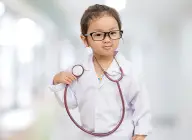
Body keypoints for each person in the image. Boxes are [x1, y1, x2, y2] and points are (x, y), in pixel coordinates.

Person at [49, 4, 152, 140]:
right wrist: (57, 81)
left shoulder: (130, 71)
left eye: (113, 33)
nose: (107, 39)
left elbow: (141, 108)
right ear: (85, 40)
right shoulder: (77, 70)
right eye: (98, 34)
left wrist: (140, 134)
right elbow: (69, 103)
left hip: (122, 137)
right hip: (88, 136)